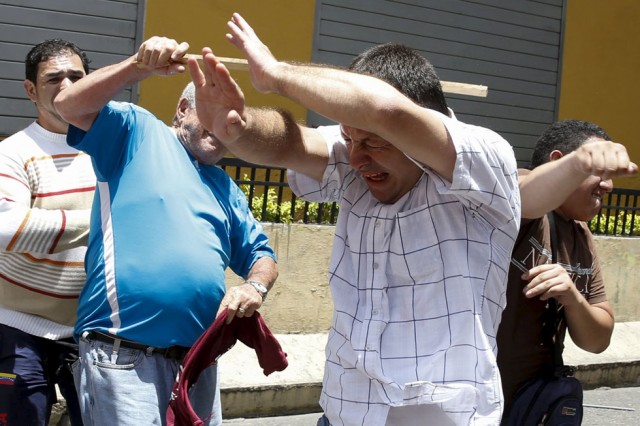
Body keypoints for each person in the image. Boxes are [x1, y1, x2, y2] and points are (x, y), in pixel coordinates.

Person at [188, 13, 521, 425]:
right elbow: (291, 141)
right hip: (345, 411)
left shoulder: (483, 159)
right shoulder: (353, 153)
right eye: (350, 139)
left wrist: (277, 74)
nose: (358, 157)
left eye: (374, 142)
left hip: (445, 417)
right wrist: (239, 128)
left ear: (422, 123)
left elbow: (385, 110)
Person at [53, 37, 278, 426]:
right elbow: (68, 105)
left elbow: (262, 255)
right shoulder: (136, 132)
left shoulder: (226, 188)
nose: (222, 128)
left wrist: (253, 287)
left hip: (196, 364)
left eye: (231, 120)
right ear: (182, 109)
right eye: (212, 114)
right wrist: (138, 65)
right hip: (122, 358)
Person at [497, 120, 638, 418]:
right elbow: (524, 191)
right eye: (599, 172)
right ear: (560, 162)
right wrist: (579, 163)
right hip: (478, 407)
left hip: (534, 407)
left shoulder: (581, 235)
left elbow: (597, 341)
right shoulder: (516, 202)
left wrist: (573, 298)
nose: (609, 185)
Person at [0, 39, 94, 426]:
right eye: (54, 78)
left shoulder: (109, 147)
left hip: (92, 329)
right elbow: (8, 229)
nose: (67, 84)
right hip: (19, 325)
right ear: (31, 90)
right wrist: (100, 221)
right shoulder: (14, 153)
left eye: (77, 76)